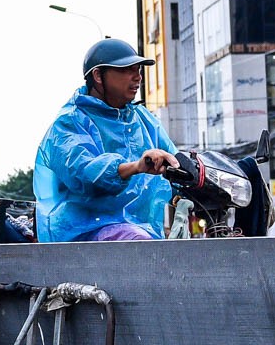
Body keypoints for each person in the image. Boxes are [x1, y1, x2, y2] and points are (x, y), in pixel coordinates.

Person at [34, 39, 178, 242]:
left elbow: (175, 158)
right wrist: (137, 166)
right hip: (84, 233)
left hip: (140, 231)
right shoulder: (69, 122)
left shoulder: (143, 119)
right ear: (98, 75)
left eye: (138, 70)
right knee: (142, 248)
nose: (137, 77)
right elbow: (85, 174)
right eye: (127, 70)